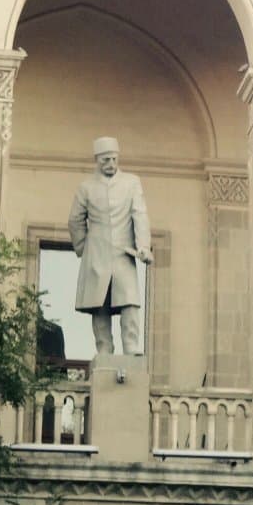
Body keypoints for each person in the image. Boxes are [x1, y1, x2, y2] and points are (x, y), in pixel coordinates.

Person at [68, 137, 152, 355]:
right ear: (97, 160)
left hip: (124, 253)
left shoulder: (131, 182)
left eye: (114, 159)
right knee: (99, 304)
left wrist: (143, 245)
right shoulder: (86, 187)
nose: (111, 164)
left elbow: (140, 215)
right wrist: (84, 248)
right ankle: (104, 348)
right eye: (106, 160)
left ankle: (131, 346)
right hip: (96, 253)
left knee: (130, 301)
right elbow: (75, 220)